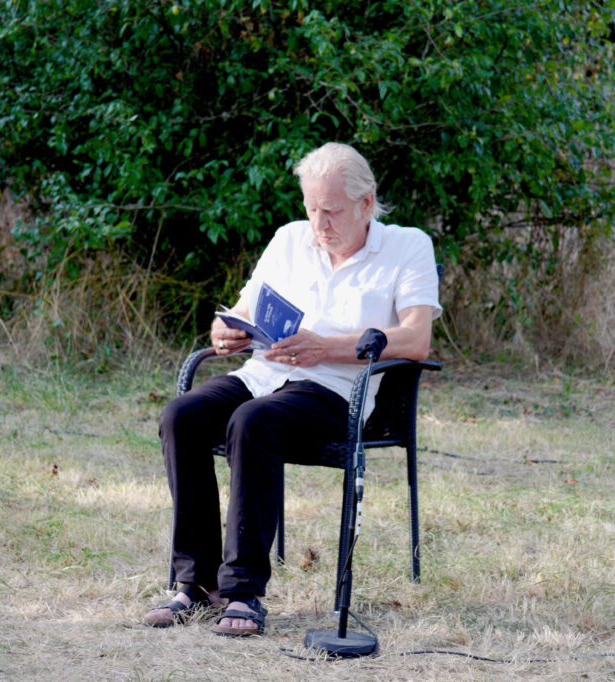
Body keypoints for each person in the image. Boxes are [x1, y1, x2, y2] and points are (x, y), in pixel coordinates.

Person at [145, 142, 441, 636]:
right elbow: (242, 309)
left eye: (331, 211)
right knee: (182, 415)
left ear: (366, 203)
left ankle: (242, 591)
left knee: (253, 420)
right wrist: (228, 332)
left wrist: (327, 348)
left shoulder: (407, 247)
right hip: (262, 375)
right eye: (310, 209)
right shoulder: (289, 240)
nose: (318, 224)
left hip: (335, 388)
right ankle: (196, 584)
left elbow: (415, 338)